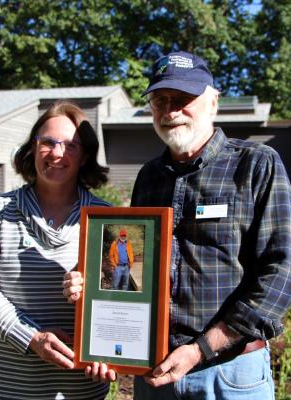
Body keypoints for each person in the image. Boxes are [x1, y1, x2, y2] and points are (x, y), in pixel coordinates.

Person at [63, 51, 291, 400]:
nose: (170, 111)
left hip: (228, 374)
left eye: (183, 99)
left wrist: (200, 349)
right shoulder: (149, 177)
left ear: (212, 102)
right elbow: (133, 271)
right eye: (160, 100)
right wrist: (92, 280)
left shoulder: (256, 165)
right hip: (154, 375)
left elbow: (280, 273)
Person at [0, 100, 115, 399]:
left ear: (85, 156)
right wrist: (31, 337)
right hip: (8, 387)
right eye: (48, 142)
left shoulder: (106, 219)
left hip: (80, 389)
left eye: (71, 145)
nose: (57, 153)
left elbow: (123, 293)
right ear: (33, 148)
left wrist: (114, 349)